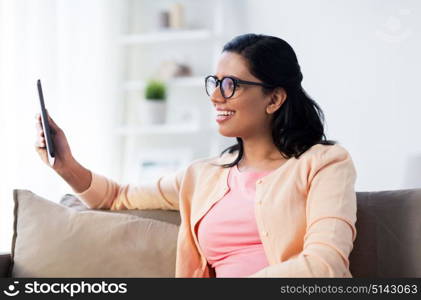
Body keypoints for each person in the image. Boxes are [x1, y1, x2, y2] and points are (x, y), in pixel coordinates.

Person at [35, 33, 357, 278]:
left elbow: (325, 263)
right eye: (215, 82)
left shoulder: (324, 163)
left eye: (230, 84)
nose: (216, 96)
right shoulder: (202, 176)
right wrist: (66, 165)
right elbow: (118, 197)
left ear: (273, 99)